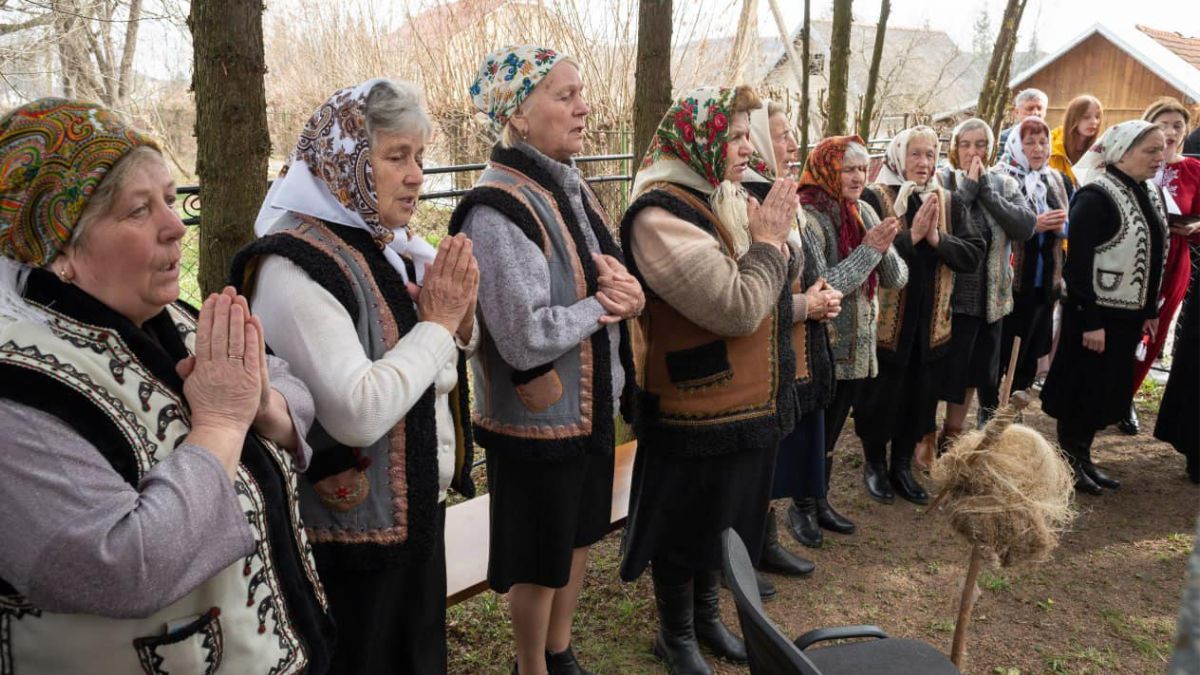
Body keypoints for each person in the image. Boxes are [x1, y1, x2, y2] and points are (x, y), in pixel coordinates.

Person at [0, 99, 333, 672]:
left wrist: (264, 405)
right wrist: (224, 425)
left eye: (171, 199)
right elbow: (122, 566)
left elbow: (290, 387)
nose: (176, 225)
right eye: (137, 210)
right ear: (60, 250)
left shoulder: (166, 318)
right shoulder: (17, 390)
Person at [232, 79, 478, 674]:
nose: (417, 174)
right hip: (351, 542)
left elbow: (425, 359)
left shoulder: (375, 243)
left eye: (419, 156)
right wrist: (440, 325)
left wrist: (456, 324)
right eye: (396, 156)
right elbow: (356, 411)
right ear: (343, 162)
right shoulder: (296, 266)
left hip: (408, 518)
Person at [451, 46, 643, 675]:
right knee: (539, 556)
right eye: (564, 96)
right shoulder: (496, 207)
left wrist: (630, 296)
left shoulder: (567, 184)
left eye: (580, 93)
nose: (584, 107)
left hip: (584, 411)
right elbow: (522, 337)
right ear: (517, 118)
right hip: (536, 424)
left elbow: (610, 279)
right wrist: (604, 309)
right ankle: (530, 666)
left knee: (579, 535)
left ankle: (560, 652)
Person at [619, 84, 800, 675]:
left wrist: (773, 240)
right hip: (691, 406)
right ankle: (675, 636)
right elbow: (737, 305)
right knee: (683, 524)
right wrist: (769, 241)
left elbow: (770, 280)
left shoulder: (717, 196)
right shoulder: (657, 214)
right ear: (697, 139)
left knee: (720, 521)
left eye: (750, 134)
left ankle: (706, 619)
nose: (748, 147)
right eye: (736, 135)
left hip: (736, 403)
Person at [789, 134, 908, 545]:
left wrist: (881, 243)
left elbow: (897, 278)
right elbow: (825, 286)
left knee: (834, 430)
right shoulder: (810, 216)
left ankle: (819, 500)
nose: (859, 177)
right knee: (815, 430)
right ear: (827, 170)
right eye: (849, 169)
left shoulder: (862, 210)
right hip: (825, 345)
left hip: (859, 345)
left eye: (863, 168)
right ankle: (800, 507)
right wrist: (869, 250)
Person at [1041, 121, 1168, 495]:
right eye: (1150, 151)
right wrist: (1090, 320)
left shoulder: (1146, 191)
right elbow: (1077, 266)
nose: (1159, 158)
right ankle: (1069, 462)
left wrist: (1149, 309)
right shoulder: (1096, 197)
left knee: (1103, 390)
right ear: (1122, 153)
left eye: (1161, 150)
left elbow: (1153, 254)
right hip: (1095, 314)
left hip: (1126, 315)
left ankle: (1083, 458)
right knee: (1081, 389)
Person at [858, 126, 983, 505]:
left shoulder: (947, 200)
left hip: (931, 324)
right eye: (916, 154)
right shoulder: (875, 197)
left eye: (931, 154)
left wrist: (937, 240)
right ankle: (875, 465)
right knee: (882, 397)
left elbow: (973, 252)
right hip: (889, 324)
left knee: (920, 398)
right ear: (899, 155)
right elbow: (866, 253)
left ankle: (902, 466)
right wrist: (910, 238)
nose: (924, 163)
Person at [745, 100, 836, 574]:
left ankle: (765, 540)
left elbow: (798, 271)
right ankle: (746, 552)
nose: (792, 143)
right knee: (760, 454)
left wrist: (820, 292)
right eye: (781, 134)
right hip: (759, 353)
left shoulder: (782, 194)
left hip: (792, 347)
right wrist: (808, 305)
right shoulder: (750, 200)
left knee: (775, 451)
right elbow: (753, 295)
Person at [935, 118, 1035, 443]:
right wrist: (966, 190)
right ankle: (924, 435)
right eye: (965, 144)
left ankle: (952, 434)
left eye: (980, 144)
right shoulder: (943, 181)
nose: (973, 151)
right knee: (944, 371)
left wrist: (988, 193)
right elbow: (943, 223)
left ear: (990, 150)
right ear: (955, 148)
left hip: (990, 300)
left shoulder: (1004, 185)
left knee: (973, 373)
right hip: (950, 300)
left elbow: (1025, 226)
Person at [1116, 97, 1200, 435]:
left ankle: (1128, 398)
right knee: (1124, 326)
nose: (1169, 131)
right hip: (1134, 255)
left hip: (1176, 257)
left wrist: (1196, 227)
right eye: (1163, 123)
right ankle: (1108, 393)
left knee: (1155, 331)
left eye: (1177, 126)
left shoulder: (1194, 169)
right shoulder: (1132, 163)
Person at [993, 116, 1075, 401]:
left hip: (1045, 281)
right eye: (1030, 142)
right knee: (1003, 350)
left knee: (1030, 349)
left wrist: (1059, 225)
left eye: (1043, 142)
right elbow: (994, 226)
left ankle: (1015, 408)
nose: (1038, 149)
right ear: (1017, 145)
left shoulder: (1056, 179)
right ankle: (990, 408)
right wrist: (1033, 224)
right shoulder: (1001, 179)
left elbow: (1070, 223)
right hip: (1010, 283)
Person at [1050, 94, 1103, 187]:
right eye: (1086, 117)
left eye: (1097, 117)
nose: (1094, 122)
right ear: (1072, 118)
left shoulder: (1101, 152)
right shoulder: (1050, 148)